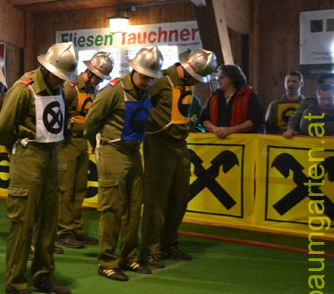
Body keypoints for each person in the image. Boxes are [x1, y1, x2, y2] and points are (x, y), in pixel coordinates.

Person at [0, 42, 77, 294]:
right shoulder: (23, 89)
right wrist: (17, 149)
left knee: (49, 221)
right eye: (58, 76)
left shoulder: (59, 89)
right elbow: (3, 129)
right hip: (28, 158)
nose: (61, 82)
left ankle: (43, 276)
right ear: (47, 69)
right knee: (23, 223)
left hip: (51, 157)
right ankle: (15, 285)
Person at [85, 46, 162, 281]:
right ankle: (107, 262)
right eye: (145, 77)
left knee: (133, 208)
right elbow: (91, 122)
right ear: (134, 70)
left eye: (151, 78)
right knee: (112, 209)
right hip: (113, 152)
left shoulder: (145, 91)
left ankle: (129, 258)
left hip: (134, 153)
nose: (148, 82)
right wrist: (97, 145)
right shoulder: (113, 91)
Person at [140, 49, 218, 267]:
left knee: (179, 197)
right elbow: (140, 104)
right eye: (197, 77)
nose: (198, 82)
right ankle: (149, 249)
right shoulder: (160, 81)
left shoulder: (186, 84)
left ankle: (168, 243)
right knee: (156, 199)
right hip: (159, 144)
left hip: (179, 144)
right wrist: (152, 126)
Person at [56, 51, 114, 249]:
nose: (99, 81)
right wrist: (73, 125)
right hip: (66, 144)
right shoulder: (70, 88)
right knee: (65, 190)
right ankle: (64, 231)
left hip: (81, 144)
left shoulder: (94, 89)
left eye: (101, 78)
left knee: (80, 189)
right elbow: (57, 116)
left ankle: (76, 228)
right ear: (89, 72)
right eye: (97, 77)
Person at [201, 64, 264, 137]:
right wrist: (215, 129)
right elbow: (204, 119)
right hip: (216, 139)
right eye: (218, 77)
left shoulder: (249, 94)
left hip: (242, 140)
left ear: (233, 78)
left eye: (221, 77)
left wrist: (230, 130)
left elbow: (255, 120)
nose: (218, 80)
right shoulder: (214, 96)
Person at [283, 73, 334, 138]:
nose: (326, 102)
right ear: (321, 86)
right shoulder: (310, 103)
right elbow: (297, 117)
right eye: (331, 84)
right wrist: (290, 129)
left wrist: (317, 125)